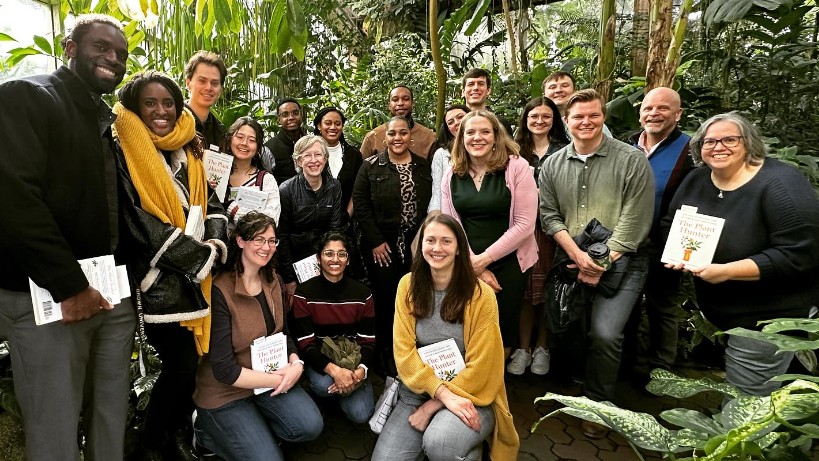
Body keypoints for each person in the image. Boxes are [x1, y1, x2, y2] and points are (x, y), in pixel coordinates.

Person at [0, 14, 135, 461]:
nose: (112, 60)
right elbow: (14, 199)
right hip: (54, 298)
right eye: (101, 48)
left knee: (111, 413)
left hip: (111, 294)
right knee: (54, 424)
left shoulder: (106, 121)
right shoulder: (29, 97)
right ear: (70, 47)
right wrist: (69, 286)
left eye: (120, 55)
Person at [113, 70, 229, 459]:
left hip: (198, 276)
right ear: (135, 107)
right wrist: (199, 258)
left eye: (168, 103)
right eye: (150, 103)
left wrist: (214, 242)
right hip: (159, 280)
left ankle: (171, 433)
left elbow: (211, 202)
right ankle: (150, 443)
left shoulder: (189, 145)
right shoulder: (123, 147)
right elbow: (135, 220)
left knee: (190, 364)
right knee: (180, 365)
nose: (161, 111)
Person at [662, 112, 819, 396]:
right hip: (722, 312)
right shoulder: (697, 179)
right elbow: (671, 223)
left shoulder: (780, 184)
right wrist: (678, 253)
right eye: (709, 141)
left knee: (746, 400)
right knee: (763, 391)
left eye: (729, 139)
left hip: (767, 316)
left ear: (748, 143)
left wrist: (726, 271)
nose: (718, 147)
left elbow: (800, 255)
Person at [538, 89, 654, 439]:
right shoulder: (554, 164)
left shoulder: (631, 160)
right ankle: (580, 383)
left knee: (605, 333)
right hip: (572, 257)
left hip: (625, 260)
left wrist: (602, 260)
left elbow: (636, 216)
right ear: (567, 122)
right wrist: (577, 255)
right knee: (569, 326)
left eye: (593, 115)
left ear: (603, 117)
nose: (586, 122)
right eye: (578, 117)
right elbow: (549, 214)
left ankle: (599, 404)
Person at [371, 214, 519, 461]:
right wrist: (437, 395)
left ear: (459, 247)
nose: (437, 248)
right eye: (430, 240)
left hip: (471, 393)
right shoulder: (407, 286)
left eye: (446, 241)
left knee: (440, 443)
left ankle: (463, 447)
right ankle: (466, 448)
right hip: (416, 393)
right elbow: (404, 355)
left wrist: (435, 404)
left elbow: (484, 368)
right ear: (421, 246)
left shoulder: (481, 295)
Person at [193, 212, 323, 461]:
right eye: (259, 239)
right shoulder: (220, 290)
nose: (266, 247)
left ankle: (255, 429)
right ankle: (205, 432)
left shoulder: (272, 279)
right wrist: (278, 380)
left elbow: (283, 333)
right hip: (226, 391)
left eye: (272, 241)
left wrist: (296, 363)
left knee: (311, 426)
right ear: (240, 241)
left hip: (266, 379)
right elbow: (224, 370)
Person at [441, 110, 538, 357]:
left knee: (501, 329)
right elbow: (451, 224)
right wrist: (475, 265)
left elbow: (525, 224)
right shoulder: (452, 173)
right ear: (461, 138)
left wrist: (484, 260)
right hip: (465, 261)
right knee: (468, 326)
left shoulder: (517, 168)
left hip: (510, 263)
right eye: (470, 132)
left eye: (485, 131)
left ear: (496, 136)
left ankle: (494, 388)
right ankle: (469, 387)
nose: (477, 137)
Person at [353, 116, 432, 372]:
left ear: (410, 136)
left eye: (402, 133)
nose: (397, 138)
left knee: (413, 295)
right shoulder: (370, 166)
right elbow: (361, 206)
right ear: (384, 137)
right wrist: (376, 241)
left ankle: (411, 349)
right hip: (381, 244)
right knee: (386, 297)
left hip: (415, 242)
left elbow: (430, 204)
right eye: (392, 134)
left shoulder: (423, 166)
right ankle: (385, 350)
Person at [626, 87, 694, 380]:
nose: (654, 114)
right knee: (625, 304)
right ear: (640, 113)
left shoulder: (692, 149)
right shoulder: (627, 144)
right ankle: (626, 363)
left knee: (662, 306)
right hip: (626, 242)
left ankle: (661, 370)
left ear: (677, 114)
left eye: (663, 108)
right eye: (648, 108)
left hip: (666, 243)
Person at [506, 96, 570, 376]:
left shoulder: (565, 150)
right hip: (521, 229)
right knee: (523, 290)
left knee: (546, 289)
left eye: (546, 116)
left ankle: (542, 346)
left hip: (553, 231)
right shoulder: (515, 151)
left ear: (554, 119)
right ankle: (523, 348)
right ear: (525, 119)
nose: (540, 121)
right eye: (534, 116)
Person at [290, 232, 376, 423]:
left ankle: (341, 392)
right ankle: (330, 397)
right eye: (328, 253)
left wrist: (360, 372)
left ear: (348, 259)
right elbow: (306, 344)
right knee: (322, 385)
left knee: (361, 415)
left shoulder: (363, 294)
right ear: (319, 258)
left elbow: (368, 340)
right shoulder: (304, 293)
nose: (335, 259)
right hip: (322, 361)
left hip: (352, 361)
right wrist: (336, 372)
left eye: (341, 254)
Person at [277, 135, 345, 300]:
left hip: (324, 259)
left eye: (318, 154)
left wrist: (330, 264)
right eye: (307, 155)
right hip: (294, 262)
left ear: (325, 158)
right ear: (298, 161)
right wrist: (289, 278)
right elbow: (282, 236)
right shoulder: (286, 190)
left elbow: (335, 229)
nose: (313, 160)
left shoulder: (334, 187)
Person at [223, 116, 281, 226]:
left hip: (253, 242)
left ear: (258, 148)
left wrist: (232, 208)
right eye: (239, 137)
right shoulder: (217, 172)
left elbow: (272, 220)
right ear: (230, 139)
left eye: (252, 140)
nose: (244, 143)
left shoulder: (266, 180)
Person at [359, 86, 437, 159]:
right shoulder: (373, 137)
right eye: (395, 100)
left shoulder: (429, 138)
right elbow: (361, 170)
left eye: (406, 99)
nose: (400, 103)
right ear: (389, 106)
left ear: (412, 104)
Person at [313, 106, 363, 217]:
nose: (333, 127)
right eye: (328, 123)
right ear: (319, 126)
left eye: (337, 124)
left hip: (345, 220)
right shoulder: (309, 154)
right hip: (313, 220)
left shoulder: (353, 155)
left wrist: (347, 217)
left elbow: (358, 190)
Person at [542, 70, 613, 137]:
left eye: (565, 86)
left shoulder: (590, 123)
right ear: (544, 94)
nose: (558, 90)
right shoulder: (538, 123)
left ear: (575, 91)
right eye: (552, 87)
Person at [428, 103, 469, 213]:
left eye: (460, 117)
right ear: (448, 130)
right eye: (450, 122)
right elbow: (437, 193)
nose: (457, 123)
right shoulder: (442, 154)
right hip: (451, 215)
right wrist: (434, 217)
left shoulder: (487, 148)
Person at [184, 50, 227, 148]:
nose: (208, 87)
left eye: (215, 83)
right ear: (188, 83)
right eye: (202, 81)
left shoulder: (220, 131)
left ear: (220, 89)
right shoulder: (174, 120)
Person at [262, 98, 306, 185]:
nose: (291, 118)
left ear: (301, 115)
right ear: (279, 119)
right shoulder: (269, 147)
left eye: (295, 113)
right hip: (281, 196)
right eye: (285, 114)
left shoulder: (310, 143)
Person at [461, 68, 514, 135]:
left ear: (488, 91)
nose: (476, 88)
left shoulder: (501, 123)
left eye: (481, 84)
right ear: (463, 92)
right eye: (471, 84)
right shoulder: (454, 123)